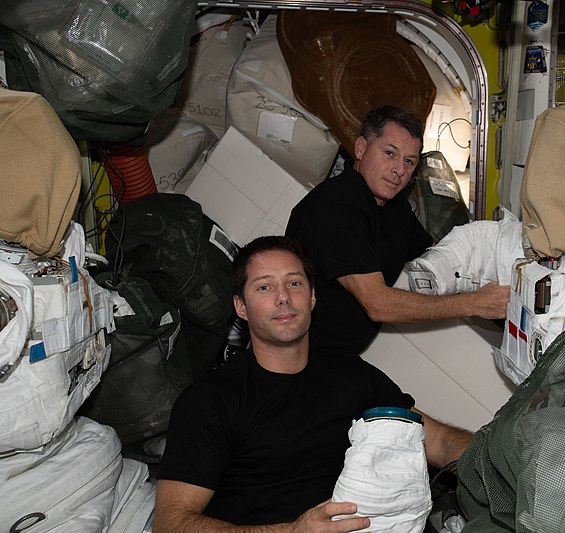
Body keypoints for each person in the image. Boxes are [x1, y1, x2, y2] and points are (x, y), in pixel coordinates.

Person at [153, 236, 473, 532]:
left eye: (294, 283)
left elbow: (439, 441)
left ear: (312, 296)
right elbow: (171, 524)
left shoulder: (353, 376)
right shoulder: (210, 402)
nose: (283, 298)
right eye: (264, 287)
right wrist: (293, 531)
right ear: (241, 306)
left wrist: (497, 463)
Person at [285, 105, 510, 358]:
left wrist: (495, 280)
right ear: (361, 148)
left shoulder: (394, 208)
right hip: (302, 357)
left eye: (409, 161)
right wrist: (473, 303)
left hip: (340, 356)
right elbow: (377, 303)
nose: (399, 170)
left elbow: (433, 258)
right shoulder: (334, 209)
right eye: (390, 153)